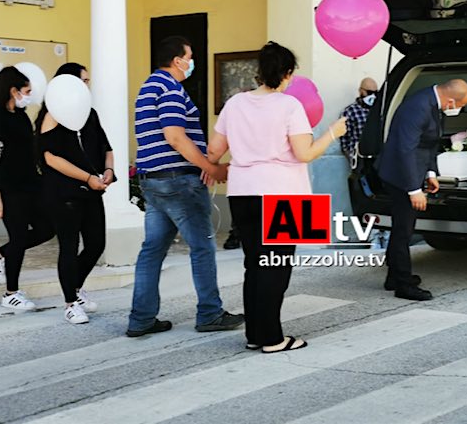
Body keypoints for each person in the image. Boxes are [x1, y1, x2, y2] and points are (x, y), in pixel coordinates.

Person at [208, 41, 347, 353]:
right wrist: (332, 132)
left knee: (254, 264)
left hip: (242, 192)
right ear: (287, 74)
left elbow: (214, 151)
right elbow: (305, 153)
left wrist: (237, 160)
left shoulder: (235, 103)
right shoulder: (290, 106)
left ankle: (256, 334)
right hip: (284, 192)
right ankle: (272, 338)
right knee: (277, 266)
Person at [127, 35, 243, 337]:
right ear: (178, 60)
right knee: (202, 247)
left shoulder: (147, 87)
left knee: (151, 251)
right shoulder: (171, 88)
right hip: (179, 181)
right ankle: (210, 313)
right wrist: (210, 168)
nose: (192, 62)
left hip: (153, 181)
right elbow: (175, 136)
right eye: (189, 56)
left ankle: (141, 318)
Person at [376, 79, 467, 301]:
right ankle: (403, 284)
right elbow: (405, 149)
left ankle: (394, 277)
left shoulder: (433, 103)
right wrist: (413, 189)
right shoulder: (417, 107)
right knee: (404, 231)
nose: (458, 110)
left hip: (413, 171)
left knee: (402, 227)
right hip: (399, 175)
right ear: (450, 100)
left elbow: (429, 143)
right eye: (459, 105)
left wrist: (430, 173)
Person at [36, 62, 113, 324]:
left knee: (96, 244)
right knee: (68, 247)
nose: (87, 85)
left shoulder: (89, 114)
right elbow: (51, 159)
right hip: (63, 193)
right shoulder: (51, 116)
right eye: (84, 80)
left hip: (91, 191)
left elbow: (106, 146)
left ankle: (76, 288)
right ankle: (70, 302)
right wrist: (88, 177)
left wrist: (109, 170)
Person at [0, 66, 54, 310]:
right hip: (8, 189)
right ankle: (11, 293)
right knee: (19, 237)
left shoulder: (21, 116)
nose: (29, 95)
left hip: (31, 184)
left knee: (46, 229)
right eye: (27, 91)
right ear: (13, 90)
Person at [339, 77, 388, 249]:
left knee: (384, 195)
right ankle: (370, 236)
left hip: (380, 159)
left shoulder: (381, 111)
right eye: (369, 92)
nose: (372, 96)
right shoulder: (350, 112)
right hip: (360, 161)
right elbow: (345, 141)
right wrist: (353, 160)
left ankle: (385, 234)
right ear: (361, 91)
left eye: (376, 93)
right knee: (364, 198)